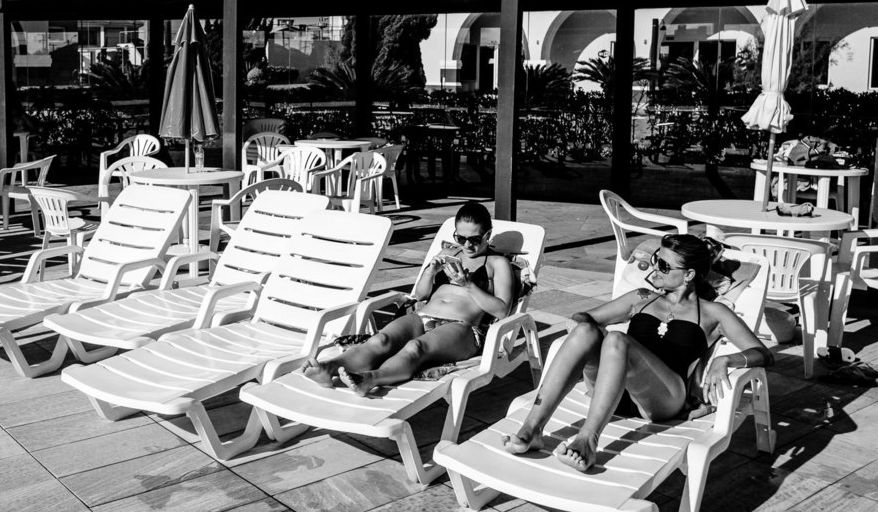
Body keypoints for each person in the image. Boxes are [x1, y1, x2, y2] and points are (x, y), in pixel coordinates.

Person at [502, 233, 772, 472]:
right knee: (586, 331)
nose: (656, 268)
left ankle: (587, 441)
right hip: (615, 392)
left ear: (689, 275)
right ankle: (533, 428)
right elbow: (585, 316)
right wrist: (580, 325)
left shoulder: (714, 313)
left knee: (617, 340)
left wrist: (727, 359)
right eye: (656, 259)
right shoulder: (642, 297)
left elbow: (762, 353)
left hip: (664, 399)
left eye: (664, 265)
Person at [302, 201, 516, 396]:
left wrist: (468, 285)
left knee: (415, 348)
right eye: (461, 238)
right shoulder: (448, 252)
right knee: (380, 340)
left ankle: (369, 379)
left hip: (462, 327)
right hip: (423, 315)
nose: (467, 245)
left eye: (475, 239)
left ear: (488, 235)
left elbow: (502, 310)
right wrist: (430, 272)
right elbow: (420, 295)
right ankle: (327, 369)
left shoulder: (498, 264)